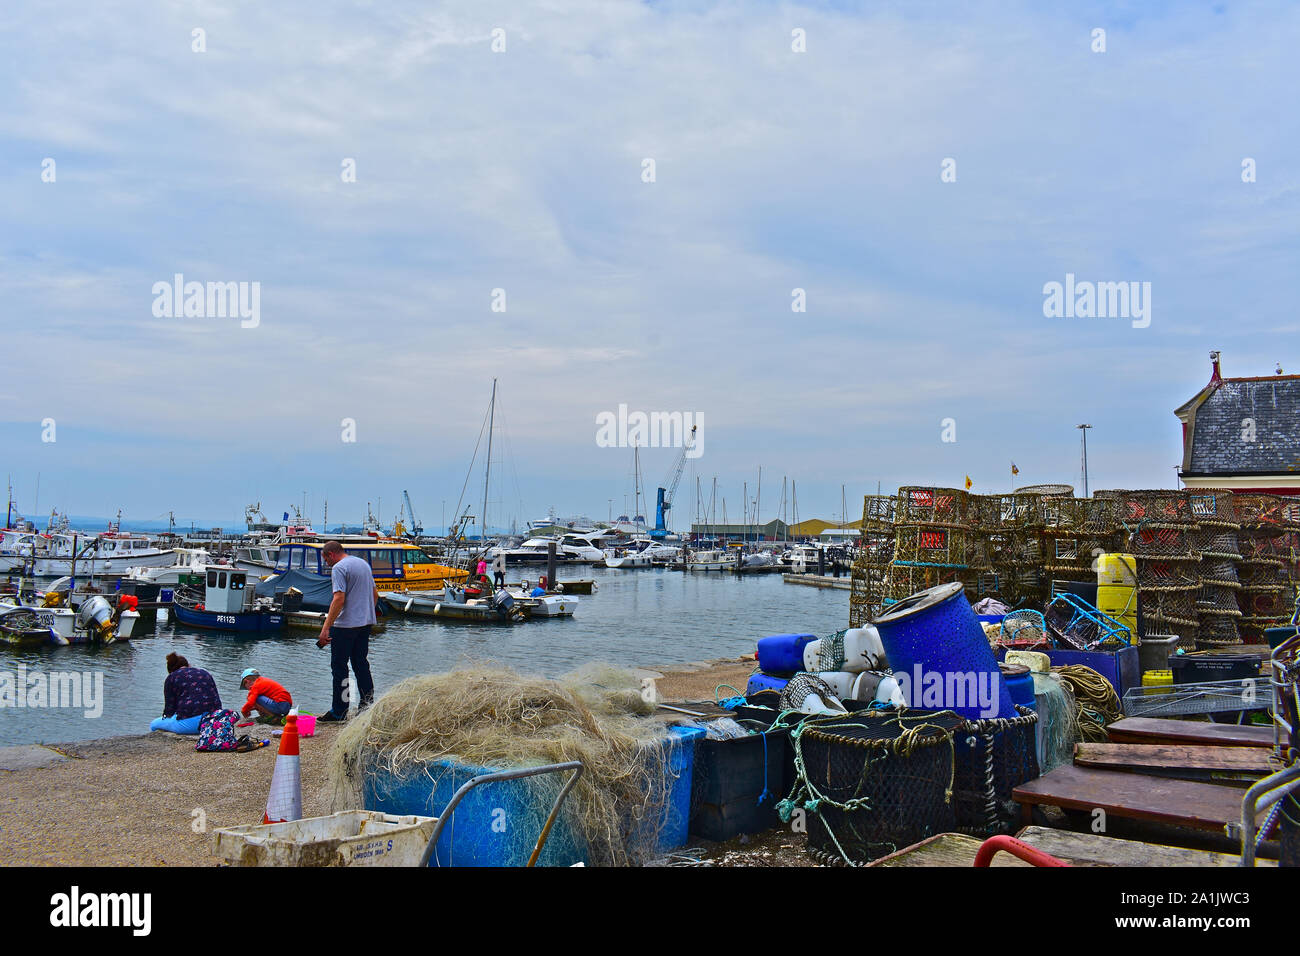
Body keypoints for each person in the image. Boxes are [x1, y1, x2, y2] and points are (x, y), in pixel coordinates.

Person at [317, 541, 378, 722]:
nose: (326, 564)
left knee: (340, 668)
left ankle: (340, 711)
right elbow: (374, 594)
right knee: (361, 664)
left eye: (325, 559)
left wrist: (326, 627)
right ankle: (367, 707)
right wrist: (366, 614)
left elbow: (339, 599)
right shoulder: (362, 564)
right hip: (365, 623)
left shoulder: (339, 568)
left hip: (345, 626)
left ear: (331, 554)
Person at [150, 653, 222, 735]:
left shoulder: (172, 677)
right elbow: (216, 700)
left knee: (154, 724)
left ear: (170, 670)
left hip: (193, 725)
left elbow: (169, 709)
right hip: (215, 720)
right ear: (188, 664)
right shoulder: (205, 673)